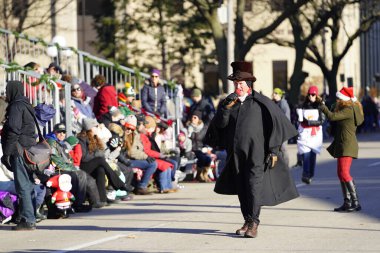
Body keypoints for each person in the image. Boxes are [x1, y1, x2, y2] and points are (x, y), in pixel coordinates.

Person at [204, 61, 299, 238]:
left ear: (248, 84)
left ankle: (254, 223)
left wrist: (273, 150)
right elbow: (220, 125)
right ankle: (247, 220)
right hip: (236, 154)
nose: (237, 86)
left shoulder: (261, 103)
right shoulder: (229, 103)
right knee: (242, 188)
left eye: (240, 83)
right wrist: (224, 109)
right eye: (235, 83)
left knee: (254, 187)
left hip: (257, 154)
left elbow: (276, 126)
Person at [319, 87, 364, 212]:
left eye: (339, 98)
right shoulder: (346, 108)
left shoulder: (348, 110)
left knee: (344, 173)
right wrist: (324, 103)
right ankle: (347, 202)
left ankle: (355, 202)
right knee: (340, 173)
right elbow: (333, 110)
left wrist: (322, 107)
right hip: (342, 144)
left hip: (347, 145)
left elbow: (332, 117)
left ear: (344, 100)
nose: (337, 100)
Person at [1, 80, 38, 230]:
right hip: (29, 149)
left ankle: (28, 220)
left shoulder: (16, 106)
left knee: (22, 186)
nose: (6, 93)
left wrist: (7, 153)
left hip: (20, 150)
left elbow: (14, 130)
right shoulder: (26, 104)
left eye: (7, 90)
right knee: (28, 185)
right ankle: (31, 216)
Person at [296, 86, 324, 184]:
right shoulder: (303, 105)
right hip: (305, 134)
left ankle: (310, 174)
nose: (311, 96)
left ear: (316, 95)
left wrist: (310, 122)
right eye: (309, 94)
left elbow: (322, 120)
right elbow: (299, 118)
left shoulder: (320, 105)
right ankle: (305, 174)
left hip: (315, 134)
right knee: (305, 154)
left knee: (312, 155)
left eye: (313, 94)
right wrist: (300, 118)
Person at [272, 87, 291, 166]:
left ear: (279, 95)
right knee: (276, 148)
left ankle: (286, 165)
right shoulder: (273, 103)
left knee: (283, 147)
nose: (274, 94)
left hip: (283, 129)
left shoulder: (283, 103)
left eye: (276, 93)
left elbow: (287, 117)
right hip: (276, 129)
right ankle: (279, 165)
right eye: (273, 93)